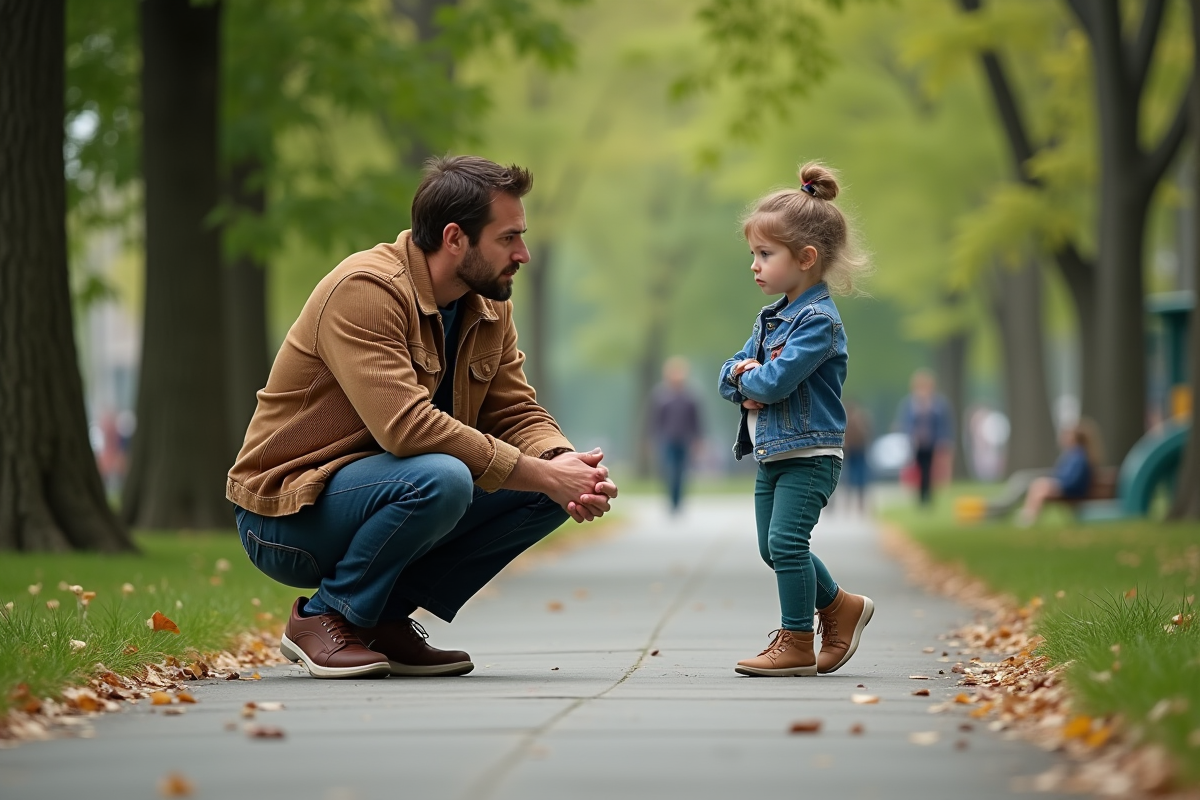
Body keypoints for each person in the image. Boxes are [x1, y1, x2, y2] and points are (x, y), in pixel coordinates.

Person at [227, 156, 618, 680]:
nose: (522, 254)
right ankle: (326, 616)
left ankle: (381, 618)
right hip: (289, 513)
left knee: (542, 491)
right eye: (508, 238)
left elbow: (515, 408)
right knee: (445, 477)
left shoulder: (487, 302)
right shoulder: (366, 291)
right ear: (455, 238)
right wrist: (544, 472)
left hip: (390, 489)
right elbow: (408, 428)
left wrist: (564, 465)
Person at [718, 162, 874, 678]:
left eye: (765, 255)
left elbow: (772, 383)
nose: (755, 266)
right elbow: (729, 379)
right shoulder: (771, 319)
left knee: (787, 544)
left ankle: (797, 641)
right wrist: (747, 378)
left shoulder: (819, 324)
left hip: (810, 456)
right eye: (753, 255)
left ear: (805, 259)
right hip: (773, 455)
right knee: (771, 548)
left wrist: (750, 379)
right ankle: (841, 606)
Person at [1015, 420, 1100, 527]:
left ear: (1074, 438)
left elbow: (1073, 480)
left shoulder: (1078, 456)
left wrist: (1057, 485)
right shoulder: (1075, 454)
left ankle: (1028, 518)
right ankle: (1028, 515)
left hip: (1072, 490)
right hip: (1068, 487)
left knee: (1040, 486)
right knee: (1039, 485)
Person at [649, 356, 703, 514]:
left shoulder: (690, 397)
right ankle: (671, 499)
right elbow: (655, 420)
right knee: (669, 469)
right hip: (667, 439)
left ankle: (679, 500)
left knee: (681, 471)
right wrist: (652, 439)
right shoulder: (661, 396)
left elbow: (696, 420)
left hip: (685, 438)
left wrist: (698, 440)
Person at [897, 369, 953, 506]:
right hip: (916, 442)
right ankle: (920, 495)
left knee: (929, 468)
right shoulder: (910, 403)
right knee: (917, 468)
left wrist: (944, 440)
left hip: (931, 441)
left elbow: (943, 423)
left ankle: (927, 496)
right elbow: (905, 422)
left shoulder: (938, 403)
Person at [841, 401, 871, 513]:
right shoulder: (850, 420)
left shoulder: (855, 420)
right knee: (850, 477)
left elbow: (867, 434)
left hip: (859, 450)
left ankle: (858, 502)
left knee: (858, 477)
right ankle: (851, 502)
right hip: (852, 451)